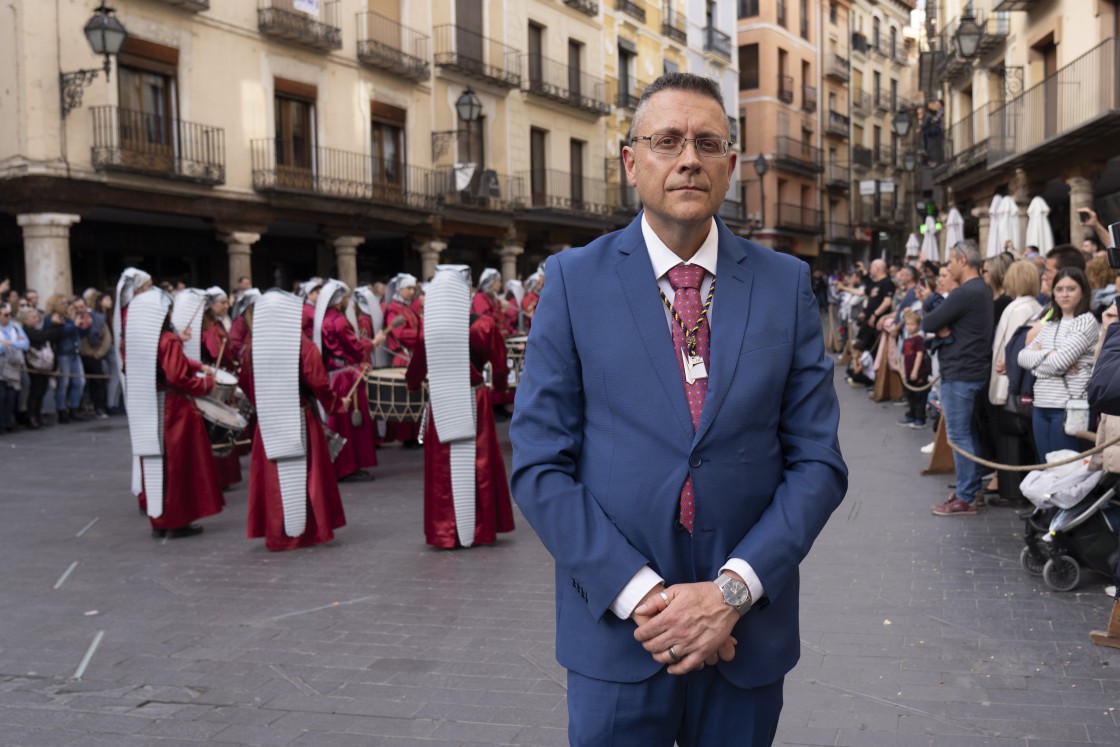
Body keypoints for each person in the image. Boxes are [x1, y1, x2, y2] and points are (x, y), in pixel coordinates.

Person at [509, 73, 847, 746]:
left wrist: (730, 593)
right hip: (617, 634)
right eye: (667, 140)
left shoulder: (784, 287)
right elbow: (540, 464)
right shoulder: (574, 282)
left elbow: (817, 463)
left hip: (745, 637)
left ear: (731, 164)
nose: (688, 156)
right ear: (632, 162)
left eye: (707, 141)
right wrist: (646, 597)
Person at [405, 265, 516, 549]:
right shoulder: (483, 325)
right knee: (479, 461)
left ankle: (445, 530)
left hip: (441, 396)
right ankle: (479, 527)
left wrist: (414, 385)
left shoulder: (428, 327)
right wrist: (501, 388)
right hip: (474, 397)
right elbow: (500, 364)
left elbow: (416, 368)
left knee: (443, 465)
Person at [239, 289, 348, 551]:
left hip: (268, 419)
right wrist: (336, 404)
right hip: (300, 415)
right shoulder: (303, 345)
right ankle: (303, 531)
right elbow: (319, 382)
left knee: (275, 476)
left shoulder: (253, 347)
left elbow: (247, 384)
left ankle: (280, 532)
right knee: (306, 472)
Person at [125, 290, 224, 538]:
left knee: (157, 462)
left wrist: (194, 362)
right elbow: (177, 377)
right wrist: (206, 385)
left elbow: (161, 360)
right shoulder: (167, 340)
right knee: (176, 464)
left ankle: (160, 518)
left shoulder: (141, 338)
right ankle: (176, 519)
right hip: (173, 409)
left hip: (151, 403)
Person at [921, 240, 993, 517]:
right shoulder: (981, 290)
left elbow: (928, 323)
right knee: (967, 434)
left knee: (960, 435)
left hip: (961, 373)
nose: (948, 266)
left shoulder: (966, 293)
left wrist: (941, 328)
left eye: (950, 261)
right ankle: (970, 489)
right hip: (971, 371)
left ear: (963, 260)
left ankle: (965, 496)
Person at [1018, 267, 1099, 461]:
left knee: (1067, 471)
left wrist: (1040, 359)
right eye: (1059, 289)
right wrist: (1050, 354)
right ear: (1053, 292)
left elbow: (1058, 363)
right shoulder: (1051, 323)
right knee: (1047, 469)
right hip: (1041, 404)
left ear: (1083, 291)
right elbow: (1022, 358)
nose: (1064, 294)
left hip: (1070, 407)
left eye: (1071, 289)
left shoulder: (1085, 321)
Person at [314, 279, 378, 481]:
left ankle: (349, 465)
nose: (348, 301)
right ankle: (347, 467)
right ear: (338, 300)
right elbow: (356, 348)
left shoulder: (326, 319)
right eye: (345, 298)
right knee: (347, 423)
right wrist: (373, 344)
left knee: (344, 422)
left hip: (339, 373)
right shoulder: (339, 321)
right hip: (347, 376)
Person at [383, 273, 423, 447]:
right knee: (405, 399)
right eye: (409, 288)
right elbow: (400, 333)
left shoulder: (408, 307)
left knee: (414, 398)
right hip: (403, 357)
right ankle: (407, 437)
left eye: (413, 288)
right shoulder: (394, 308)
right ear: (400, 289)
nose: (412, 291)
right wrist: (422, 336)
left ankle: (415, 435)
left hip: (412, 355)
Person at [898, 311, 930, 428]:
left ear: (918, 325)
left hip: (919, 373)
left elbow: (919, 355)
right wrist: (902, 371)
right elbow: (903, 356)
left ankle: (920, 418)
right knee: (911, 396)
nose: (909, 327)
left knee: (919, 396)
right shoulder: (907, 340)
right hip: (907, 372)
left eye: (912, 324)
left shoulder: (919, 339)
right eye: (907, 324)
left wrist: (915, 371)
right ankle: (911, 415)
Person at [0, 303, 29, 432]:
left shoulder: (15, 327)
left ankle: (8, 422)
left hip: (14, 364)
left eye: (9, 314)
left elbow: (25, 344)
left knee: (12, 394)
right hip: (1, 364)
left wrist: (10, 344)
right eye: (5, 315)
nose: (8, 317)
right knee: (1, 395)